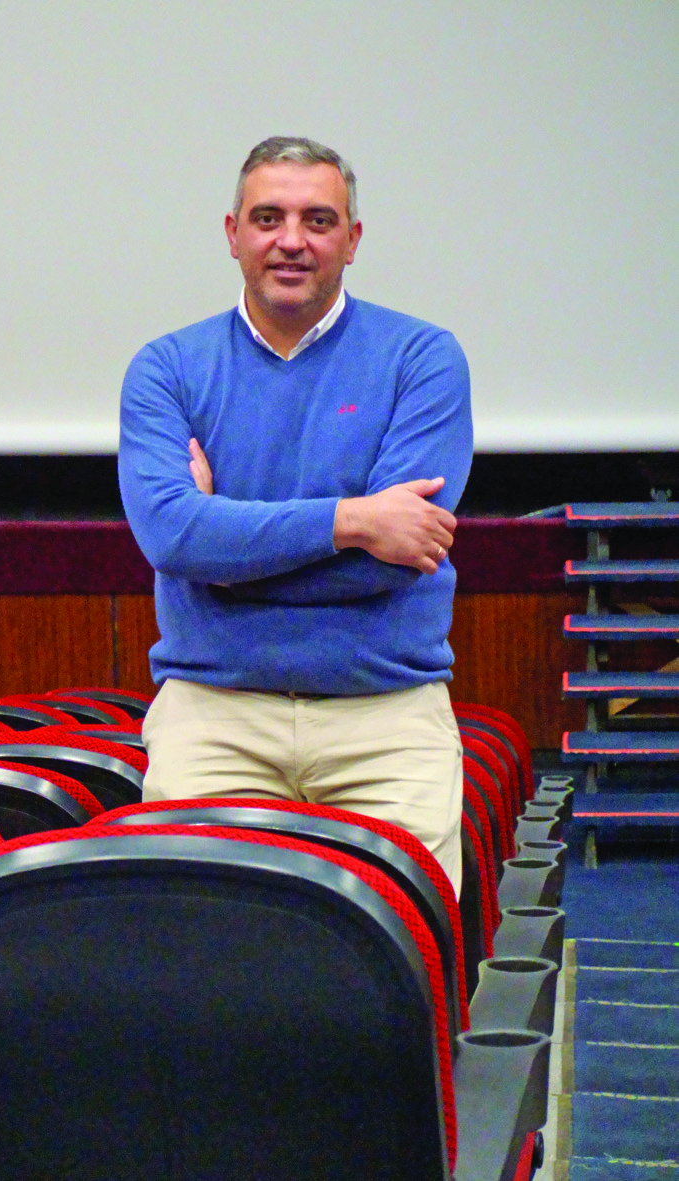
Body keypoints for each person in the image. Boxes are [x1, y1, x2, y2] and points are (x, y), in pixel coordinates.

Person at [117, 136, 472, 895]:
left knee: (402, 947)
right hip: (213, 720)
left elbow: (393, 561)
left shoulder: (423, 359)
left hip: (386, 722)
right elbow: (173, 536)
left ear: (353, 239)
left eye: (318, 220)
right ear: (233, 233)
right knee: (200, 946)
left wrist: (224, 552)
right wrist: (353, 520)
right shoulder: (167, 368)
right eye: (268, 218)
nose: (291, 240)